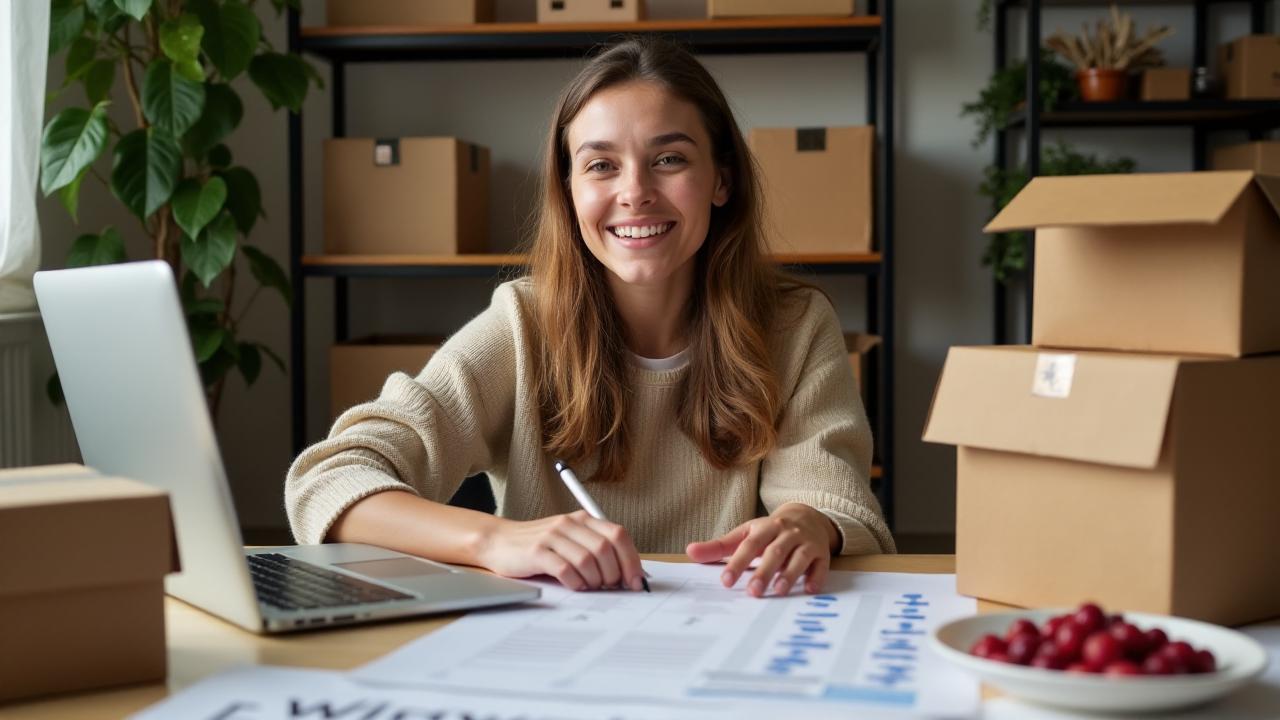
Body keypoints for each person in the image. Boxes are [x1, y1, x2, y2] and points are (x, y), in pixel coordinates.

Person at [286, 35, 894, 599]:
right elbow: (329, 480)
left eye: (670, 159)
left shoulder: (793, 326)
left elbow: (834, 501)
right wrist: (493, 540)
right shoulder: (523, 323)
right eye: (602, 165)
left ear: (721, 179)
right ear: (570, 188)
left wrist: (806, 524)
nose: (635, 192)